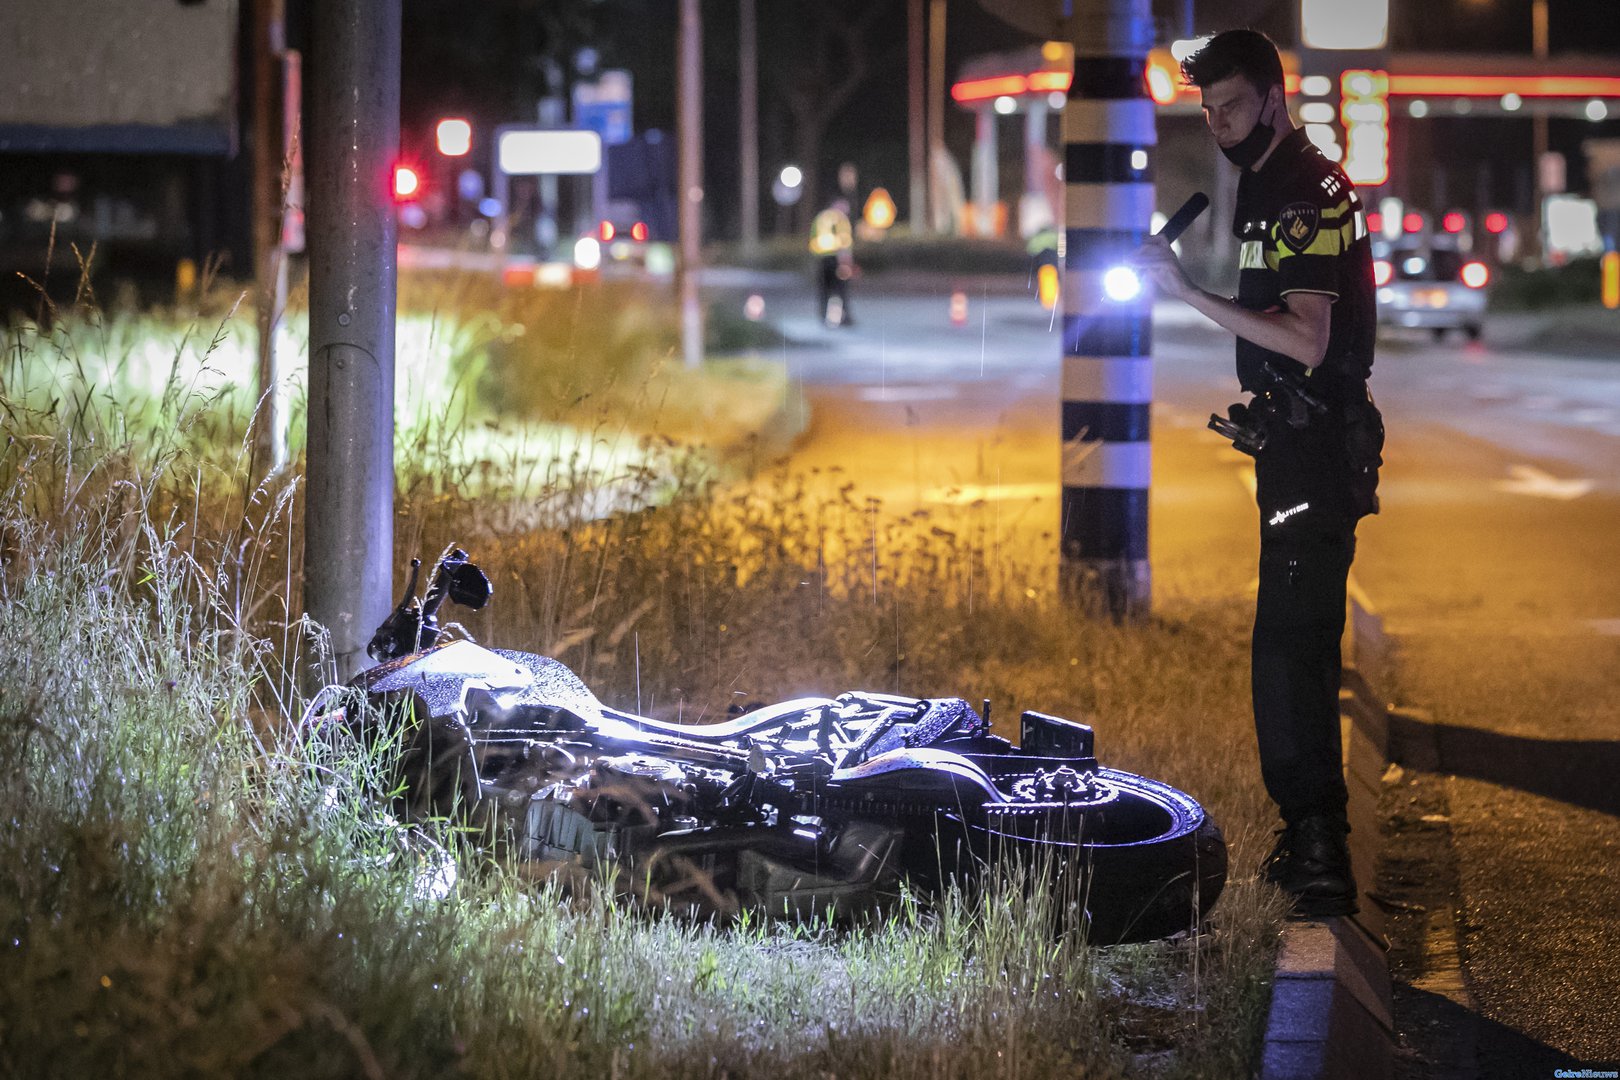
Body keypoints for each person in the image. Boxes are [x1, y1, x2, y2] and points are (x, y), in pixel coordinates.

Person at [1131, 29, 1384, 918]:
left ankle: (1319, 851)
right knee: (1294, 648)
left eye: (1232, 105)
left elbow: (1308, 338)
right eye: (1207, 110)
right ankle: (1307, 839)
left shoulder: (1306, 190)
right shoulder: (1266, 185)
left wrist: (1187, 296)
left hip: (1317, 452)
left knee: (1291, 653)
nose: (1220, 122)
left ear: (1274, 101)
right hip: (1293, 450)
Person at [809, 198, 855, 327]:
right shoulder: (840, 219)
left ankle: (823, 317)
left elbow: (812, 238)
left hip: (821, 259)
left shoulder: (820, 217)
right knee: (841, 290)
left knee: (824, 290)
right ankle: (845, 317)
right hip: (836, 259)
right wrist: (846, 262)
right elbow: (844, 241)